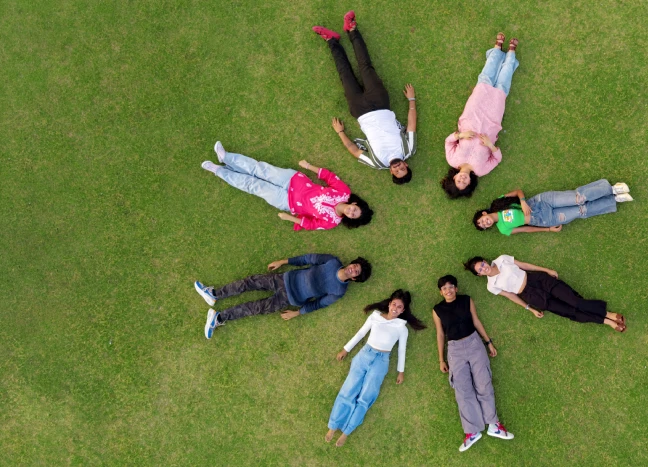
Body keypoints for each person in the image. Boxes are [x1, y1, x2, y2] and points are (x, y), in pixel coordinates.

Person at [313, 11, 416, 184]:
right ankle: (352, 29)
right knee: (365, 67)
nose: (398, 168)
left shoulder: (377, 163)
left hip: (360, 111)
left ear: (391, 172)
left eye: (397, 172)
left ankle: (332, 40)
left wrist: (340, 132)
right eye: (403, 169)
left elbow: (354, 150)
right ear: (406, 164)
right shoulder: (408, 150)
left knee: (345, 75)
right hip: (381, 103)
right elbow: (412, 125)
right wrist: (411, 100)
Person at [326, 290, 426, 447]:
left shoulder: (402, 328)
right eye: (394, 304)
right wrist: (346, 349)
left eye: (399, 307)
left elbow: (401, 350)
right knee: (348, 390)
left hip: (381, 362)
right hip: (364, 355)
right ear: (389, 304)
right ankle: (333, 426)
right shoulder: (375, 316)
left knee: (365, 398)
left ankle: (346, 432)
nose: (395, 308)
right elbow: (361, 333)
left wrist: (401, 371)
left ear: (403, 310)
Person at [202, 142, 373, 230]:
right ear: (355, 203)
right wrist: (308, 166)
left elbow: (310, 224)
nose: (351, 212)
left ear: (351, 219)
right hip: (294, 180)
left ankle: (218, 170)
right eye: (355, 210)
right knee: (259, 169)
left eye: (353, 216)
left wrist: (289, 218)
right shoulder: (344, 192)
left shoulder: (332, 222)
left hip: (286, 202)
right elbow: (329, 176)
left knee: (253, 186)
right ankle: (226, 157)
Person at [194, 254, 372, 338]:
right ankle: (214, 294)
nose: (353, 269)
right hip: (283, 279)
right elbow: (308, 259)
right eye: (355, 265)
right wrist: (283, 262)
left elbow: (318, 304)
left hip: (289, 300)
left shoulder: (339, 291)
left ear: (355, 278)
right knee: (250, 282)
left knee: (254, 308)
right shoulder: (332, 261)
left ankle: (219, 317)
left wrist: (297, 313)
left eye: (356, 271)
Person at [432, 275, 514, 452]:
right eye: (444, 288)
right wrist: (441, 359)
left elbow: (476, 321)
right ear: (441, 292)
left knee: (484, 384)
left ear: (456, 289)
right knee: (462, 390)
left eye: (451, 287)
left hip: (474, 343)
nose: (448, 290)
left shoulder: (466, 300)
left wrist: (488, 342)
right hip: (454, 350)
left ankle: (494, 425)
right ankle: (472, 431)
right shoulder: (437, 310)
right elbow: (440, 334)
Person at [441, 33, 520, 198]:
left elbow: (448, 141)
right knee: (502, 86)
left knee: (484, 80)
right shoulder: (481, 170)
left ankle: (497, 49)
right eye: (464, 183)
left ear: (454, 178)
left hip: (472, 114)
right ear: (470, 183)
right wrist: (490, 145)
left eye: (458, 181)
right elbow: (497, 159)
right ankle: (511, 53)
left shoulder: (452, 160)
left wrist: (461, 135)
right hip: (492, 122)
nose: (462, 179)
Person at [463, 255, 626, 332]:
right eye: (480, 270)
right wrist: (530, 309)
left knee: (574, 301)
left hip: (537, 280)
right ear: (479, 275)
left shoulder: (501, 259)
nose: (484, 268)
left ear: (485, 261)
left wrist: (546, 270)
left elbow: (524, 265)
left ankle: (607, 313)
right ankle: (606, 321)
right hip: (530, 296)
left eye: (482, 264)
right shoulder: (491, 286)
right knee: (570, 312)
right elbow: (511, 296)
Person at [473, 180, 633, 236]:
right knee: (581, 211)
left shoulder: (498, 203)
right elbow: (526, 229)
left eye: (482, 220)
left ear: (484, 213)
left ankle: (612, 189)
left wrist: (522, 202)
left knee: (579, 198)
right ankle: (613, 199)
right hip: (544, 219)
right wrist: (548, 229)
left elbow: (518, 191)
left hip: (541, 202)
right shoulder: (503, 229)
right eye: (483, 226)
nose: (485, 223)